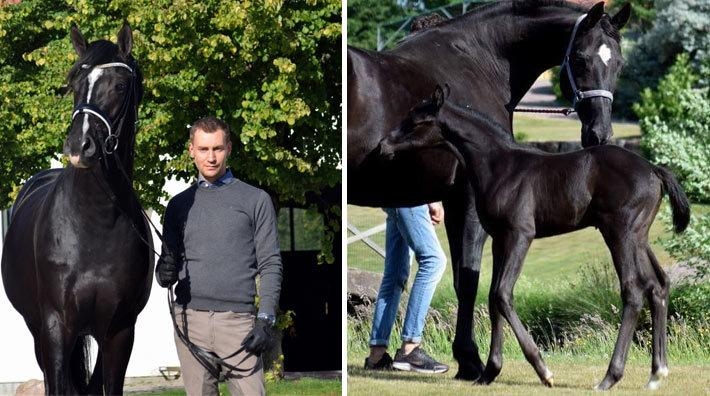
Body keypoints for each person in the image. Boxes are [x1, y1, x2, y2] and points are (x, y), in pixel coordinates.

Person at [155, 116, 282, 396]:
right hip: (190, 321)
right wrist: (162, 273)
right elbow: (168, 265)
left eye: (217, 149)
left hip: (239, 323)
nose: (210, 157)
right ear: (191, 150)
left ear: (229, 149)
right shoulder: (178, 206)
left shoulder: (255, 200)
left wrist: (265, 319)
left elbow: (271, 263)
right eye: (203, 149)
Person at [364, 203, 449, 374]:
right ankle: (410, 350)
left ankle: (377, 357)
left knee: (395, 275)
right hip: (410, 196)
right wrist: (431, 201)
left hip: (393, 196)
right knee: (434, 261)